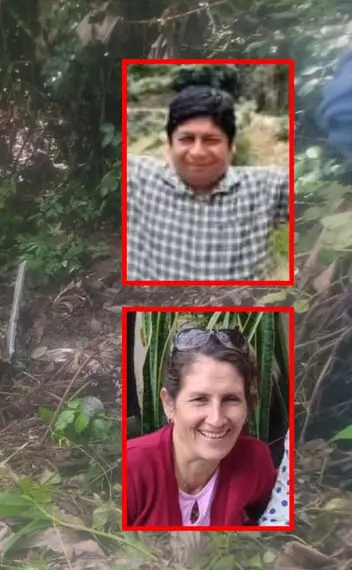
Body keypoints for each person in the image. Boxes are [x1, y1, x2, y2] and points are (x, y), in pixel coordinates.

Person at [125, 67, 289, 282]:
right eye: (186, 139)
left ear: (232, 147)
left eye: (211, 140)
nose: (198, 152)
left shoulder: (268, 188)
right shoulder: (137, 180)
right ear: (169, 145)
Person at [124, 324, 276, 527]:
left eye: (231, 399)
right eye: (199, 399)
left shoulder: (255, 461)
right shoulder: (131, 469)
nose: (216, 419)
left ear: (248, 405)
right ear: (169, 404)